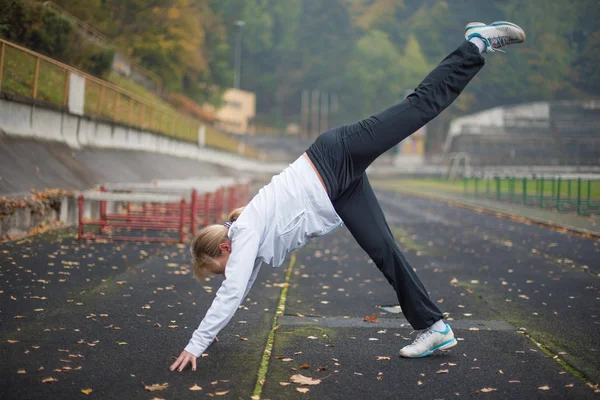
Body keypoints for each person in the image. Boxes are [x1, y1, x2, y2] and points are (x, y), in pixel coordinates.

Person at [170, 21, 526, 372]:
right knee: (384, 250)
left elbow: (231, 291)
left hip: (334, 158)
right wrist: (212, 331)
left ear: (225, 249)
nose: (224, 276)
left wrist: (195, 344)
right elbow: (239, 288)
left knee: (419, 107)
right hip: (338, 188)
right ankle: (434, 328)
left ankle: (476, 44)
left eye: (218, 270)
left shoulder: (245, 231)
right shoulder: (248, 239)